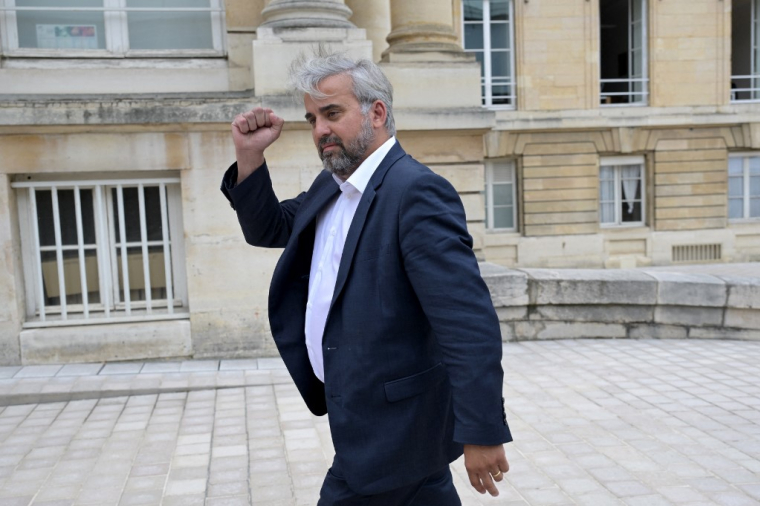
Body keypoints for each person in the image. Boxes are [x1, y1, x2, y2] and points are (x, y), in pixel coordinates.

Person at [221, 51, 512, 505]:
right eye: (312, 118)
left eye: (332, 113)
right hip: (363, 419)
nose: (319, 130)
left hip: (394, 429)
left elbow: (466, 321)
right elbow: (270, 229)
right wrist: (249, 157)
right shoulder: (331, 188)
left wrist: (481, 431)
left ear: (377, 113)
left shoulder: (415, 192)